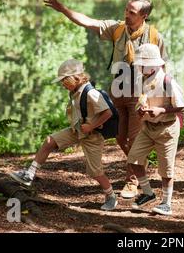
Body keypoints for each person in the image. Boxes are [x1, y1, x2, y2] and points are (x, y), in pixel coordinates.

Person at [43, 0, 168, 199]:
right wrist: (63, 9)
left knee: (135, 139)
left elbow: (163, 68)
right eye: (126, 10)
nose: (126, 14)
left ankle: (132, 181)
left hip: (140, 96)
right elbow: (89, 22)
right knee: (119, 136)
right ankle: (140, 166)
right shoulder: (117, 29)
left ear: (144, 15)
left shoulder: (154, 37)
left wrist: (160, 98)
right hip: (117, 92)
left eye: (132, 12)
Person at [10, 59, 117, 211]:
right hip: (76, 131)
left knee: (95, 171)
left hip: (91, 136)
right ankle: (29, 173)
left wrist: (92, 126)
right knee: (49, 141)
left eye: (64, 80)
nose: (62, 84)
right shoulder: (75, 92)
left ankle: (111, 195)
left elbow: (108, 112)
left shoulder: (91, 92)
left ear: (75, 78)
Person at [127, 44, 184, 216]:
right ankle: (148, 193)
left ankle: (166, 203)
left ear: (152, 65)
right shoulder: (142, 79)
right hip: (148, 127)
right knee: (134, 159)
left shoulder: (168, 81)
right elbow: (142, 99)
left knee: (166, 169)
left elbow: (181, 107)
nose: (139, 67)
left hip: (166, 129)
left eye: (142, 64)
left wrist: (162, 110)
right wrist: (141, 109)